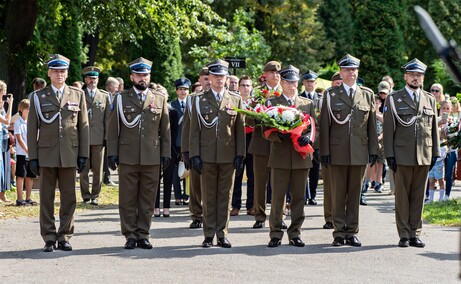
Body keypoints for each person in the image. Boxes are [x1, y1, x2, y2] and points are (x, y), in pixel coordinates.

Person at [27, 54, 89, 252]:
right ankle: (48, 236)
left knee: (69, 197)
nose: (59, 74)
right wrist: (33, 157)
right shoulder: (38, 97)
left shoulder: (77, 95)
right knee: (46, 197)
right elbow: (31, 129)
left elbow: (84, 126)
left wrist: (83, 154)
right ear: (49, 73)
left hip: (70, 153)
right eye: (55, 71)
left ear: (67, 73)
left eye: (62, 71)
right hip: (46, 154)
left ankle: (64, 235)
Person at [107, 57, 170, 249]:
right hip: (128, 155)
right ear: (132, 77)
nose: (143, 78)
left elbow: (165, 130)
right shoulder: (121, 98)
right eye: (139, 75)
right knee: (127, 198)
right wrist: (112, 152)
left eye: (146, 74)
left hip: (151, 155)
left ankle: (144, 233)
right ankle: (130, 235)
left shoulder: (159, 98)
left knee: (148, 197)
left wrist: (165, 153)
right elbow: (112, 128)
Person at [320, 54, 378, 247]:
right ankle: (338, 232)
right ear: (341, 72)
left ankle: (352, 231)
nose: (350, 73)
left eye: (353, 70)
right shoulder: (330, 94)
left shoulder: (367, 94)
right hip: (336, 152)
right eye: (346, 70)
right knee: (337, 194)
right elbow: (325, 125)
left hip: (359, 152)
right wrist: (324, 151)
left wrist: (373, 150)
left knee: (354, 194)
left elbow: (370, 126)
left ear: (357, 72)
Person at [383, 58, 440, 248]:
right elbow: (389, 129)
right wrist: (389, 155)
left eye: (419, 75)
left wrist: (435, 153)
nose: (416, 78)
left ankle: (415, 232)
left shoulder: (429, 99)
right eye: (412, 75)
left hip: (424, 154)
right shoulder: (394, 98)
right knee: (402, 197)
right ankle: (404, 234)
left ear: (423, 78)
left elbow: (433, 130)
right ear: (405, 76)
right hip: (402, 155)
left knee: (418, 196)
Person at [189, 59, 245, 248]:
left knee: (225, 196)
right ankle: (208, 234)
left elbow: (239, 129)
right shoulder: (198, 99)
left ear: (227, 78)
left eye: (223, 76)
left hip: (228, 156)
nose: (220, 80)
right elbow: (194, 130)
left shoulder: (235, 99)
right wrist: (194, 154)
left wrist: (240, 155)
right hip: (206, 156)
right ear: (209, 78)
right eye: (216, 76)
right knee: (208, 195)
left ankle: (222, 233)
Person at [265, 65, 318, 248]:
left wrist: (307, 138)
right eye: (287, 82)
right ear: (282, 82)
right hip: (280, 155)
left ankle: (295, 233)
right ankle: (276, 234)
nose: (291, 85)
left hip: (300, 157)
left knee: (298, 198)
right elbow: (265, 129)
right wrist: (277, 134)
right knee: (278, 198)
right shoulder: (273, 103)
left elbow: (313, 128)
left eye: (294, 82)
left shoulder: (307, 103)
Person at [250, 60, 285, 229]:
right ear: (265, 74)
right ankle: (259, 215)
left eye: (278, 73)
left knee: (280, 181)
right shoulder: (257, 94)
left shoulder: (285, 92)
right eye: (272, 72)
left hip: (280, 144)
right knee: (260, 181)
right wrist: (256, 110)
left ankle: (280, 215)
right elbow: (248, 120)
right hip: (261, 143)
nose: (275, 75)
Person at [181, 66, 210, 229]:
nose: (207, 81)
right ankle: (196, 215)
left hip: (214, 148)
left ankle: (210, 214)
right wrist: (185, 151)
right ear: (199, 80)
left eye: (209, 78)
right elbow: (186, 126)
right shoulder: (192, 99)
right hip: (196, 148)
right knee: (196, 185)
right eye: (204, 79)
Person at [79, 66, 111, 205]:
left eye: (95, 78)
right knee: (84, 169)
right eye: (90, 78)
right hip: (83, 137)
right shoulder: (80, 94)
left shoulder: (104, 96)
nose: (93, 81)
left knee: (98, 169)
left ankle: (95, 195)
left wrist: (107, 138)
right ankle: (85, 195)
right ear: (85, 80)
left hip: (99, 137)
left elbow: (108, 119)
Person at [230, 75, 255, 216]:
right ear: (238, 87)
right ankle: (236, 205)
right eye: (243, 85)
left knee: (252, 174)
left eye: (248, 85)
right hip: (238, 140)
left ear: (251, 87)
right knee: (237, 173)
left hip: (252, 140)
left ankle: (251, 205)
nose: (246, 88)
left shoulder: (256, 103)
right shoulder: (233, 101)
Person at [322, 71, 342, 230]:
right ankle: (329, 217)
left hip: (347, 149)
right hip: (330, 148)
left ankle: (342, 218)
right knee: (329, 187)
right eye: (337, 83)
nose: (340, 86)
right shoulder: (328, 96)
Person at [299, 70, 321, 205]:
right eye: (307, 81)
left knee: (314, 170)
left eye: (312, 82)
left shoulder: (320, 99)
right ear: (303, 83)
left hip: (316, 141)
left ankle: (312, 195)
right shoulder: (299, 98)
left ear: (315, 83)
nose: (310, 84)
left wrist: (314, 139)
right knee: (302, 170)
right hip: (302, 139)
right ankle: (303, 194)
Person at [14, 99, 37, 206]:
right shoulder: (18, 122)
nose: (29, 111)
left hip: (31, 153)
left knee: (30, 176)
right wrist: (27, 149)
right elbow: (19, 138)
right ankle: (19, 199)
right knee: (21, 175)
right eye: (28, 109)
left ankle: (28, 198)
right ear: (22, 110)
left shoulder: (32, 122)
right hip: (22, 153)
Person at [102, 77, 120, 186]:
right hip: (105, 132)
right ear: (110, 86)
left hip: (113, 132)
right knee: (104, 157)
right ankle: (106, 177)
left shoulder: (116, 97)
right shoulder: (105, 96)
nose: (117, 88)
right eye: (116, 86)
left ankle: (107, 176)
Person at [439, 100, 458, 200]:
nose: (445, 110)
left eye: (447, 108)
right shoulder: (437, 120)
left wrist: (451, 126)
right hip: (439, 151)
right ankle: (429, 195)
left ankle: (447, 195)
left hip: (451, 150)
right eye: (443, 108)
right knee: (435, 173)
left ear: (451, 109)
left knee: (448, 173)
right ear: (440, 108)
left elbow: (457, 136)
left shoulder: (454, 121)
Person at [0, 81, 13, 204]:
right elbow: (6, 121)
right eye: (3, 92)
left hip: (3, 137)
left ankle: (3, 193)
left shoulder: (1, 106)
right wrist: (11, 105)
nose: (4, 94)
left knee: (4, 167)